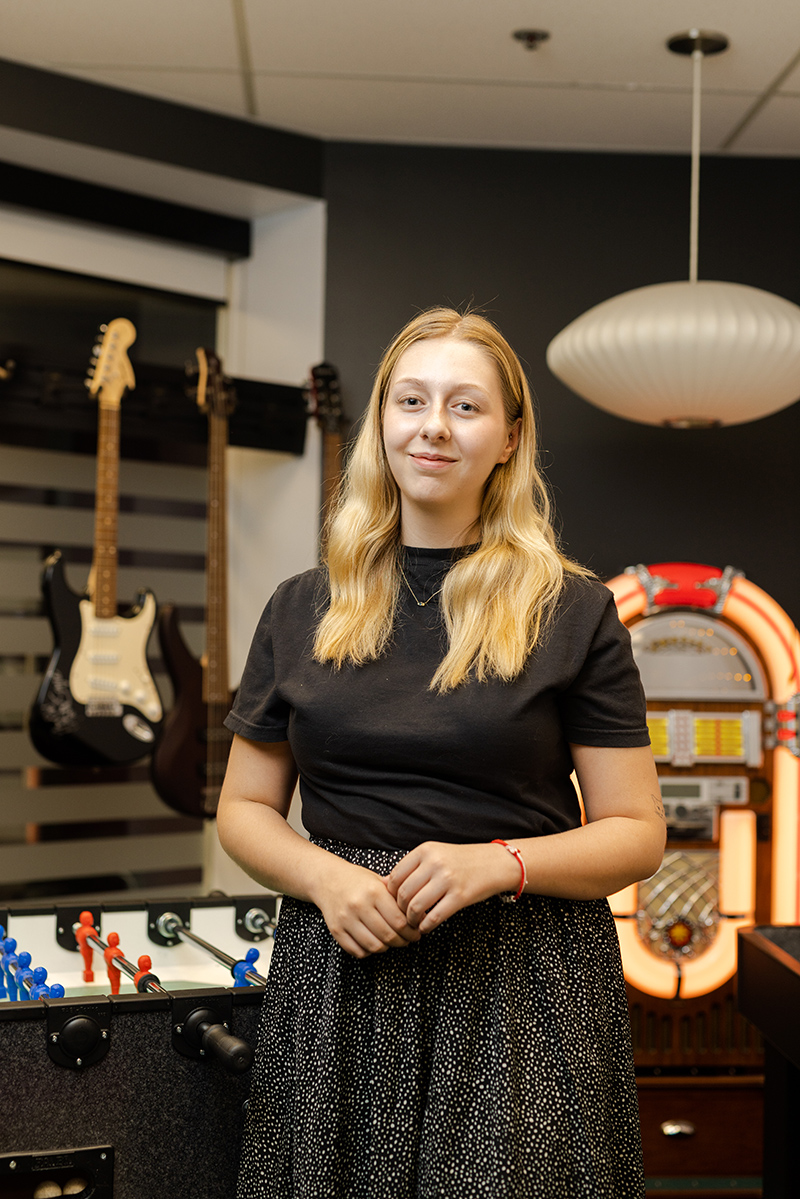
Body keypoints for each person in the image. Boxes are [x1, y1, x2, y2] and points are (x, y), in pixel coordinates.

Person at [217, 307, 665, 1199]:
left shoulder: (571, 612)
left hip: (522, 982)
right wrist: (323, 878)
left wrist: (497, 865)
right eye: (411, 400)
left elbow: (636, 834)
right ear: (380, 421)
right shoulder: (301, 606)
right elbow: (243, 809)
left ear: (508, 436)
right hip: (342, 967)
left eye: (466, 406)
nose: (433, 426)